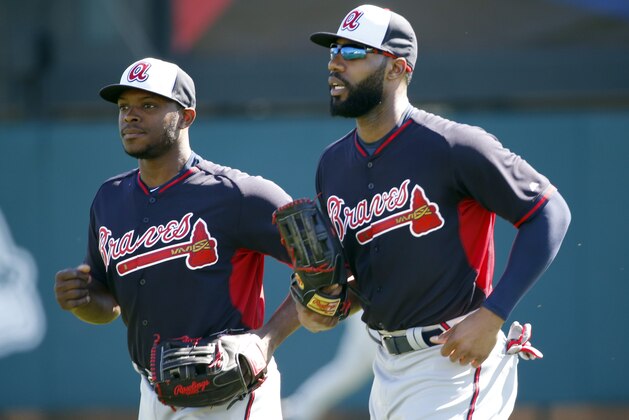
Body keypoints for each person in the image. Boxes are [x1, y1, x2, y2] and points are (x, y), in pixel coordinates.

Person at [297, 5, 572, 419]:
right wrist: (326, 302)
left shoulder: (453, 145)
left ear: (396, 69)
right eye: (333, 50)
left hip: (453, 361)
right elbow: (361, 278)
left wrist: (494, 313)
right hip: (386, 367)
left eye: (353, 52)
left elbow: (550, 212)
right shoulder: (332, 164)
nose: (335, 63)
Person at [53, 57, 300, 420]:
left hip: (230, 394)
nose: (131, 116)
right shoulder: (109, 199)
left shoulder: (237, 194)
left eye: (149, 105)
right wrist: (82, 299)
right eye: (124, 107)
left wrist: (267, 339)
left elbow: (327, 266)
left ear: (186, 116)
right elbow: (108, 305)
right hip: (151, 392)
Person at [281, 310, 376, 420]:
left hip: (370, 313)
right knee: (353, 369)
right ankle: (299, 410)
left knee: (350, 370)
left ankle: (300, 409)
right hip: (374, 315)